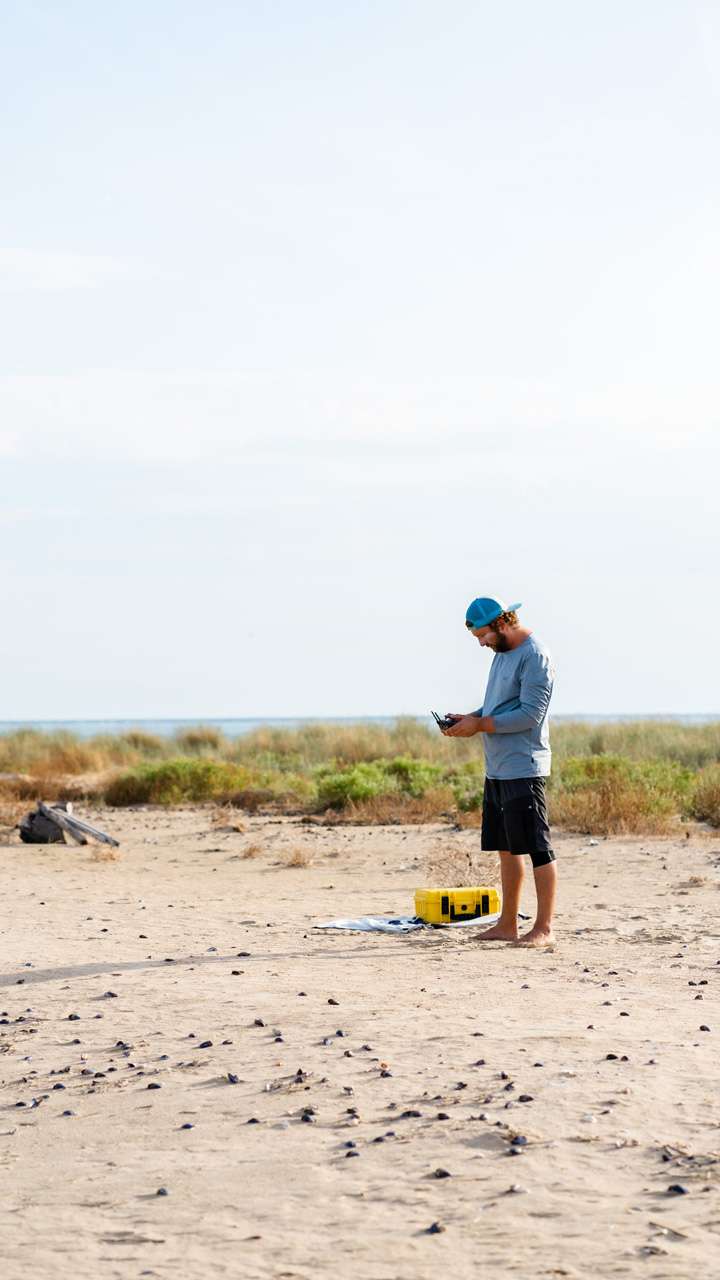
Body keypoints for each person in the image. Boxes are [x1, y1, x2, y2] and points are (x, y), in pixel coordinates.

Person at [442, 595, 556, 947]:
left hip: (524, 765)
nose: (481, 643)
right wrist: (472, 717)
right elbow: (500, 706)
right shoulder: (503, 653)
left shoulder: (535, 655)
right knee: (508, 847)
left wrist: (480, 725)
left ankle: (544, 929)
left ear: (503, 624)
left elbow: (529, 715)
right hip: (498, 768)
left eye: (484, 635)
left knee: (538, 848)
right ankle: (508, 925)